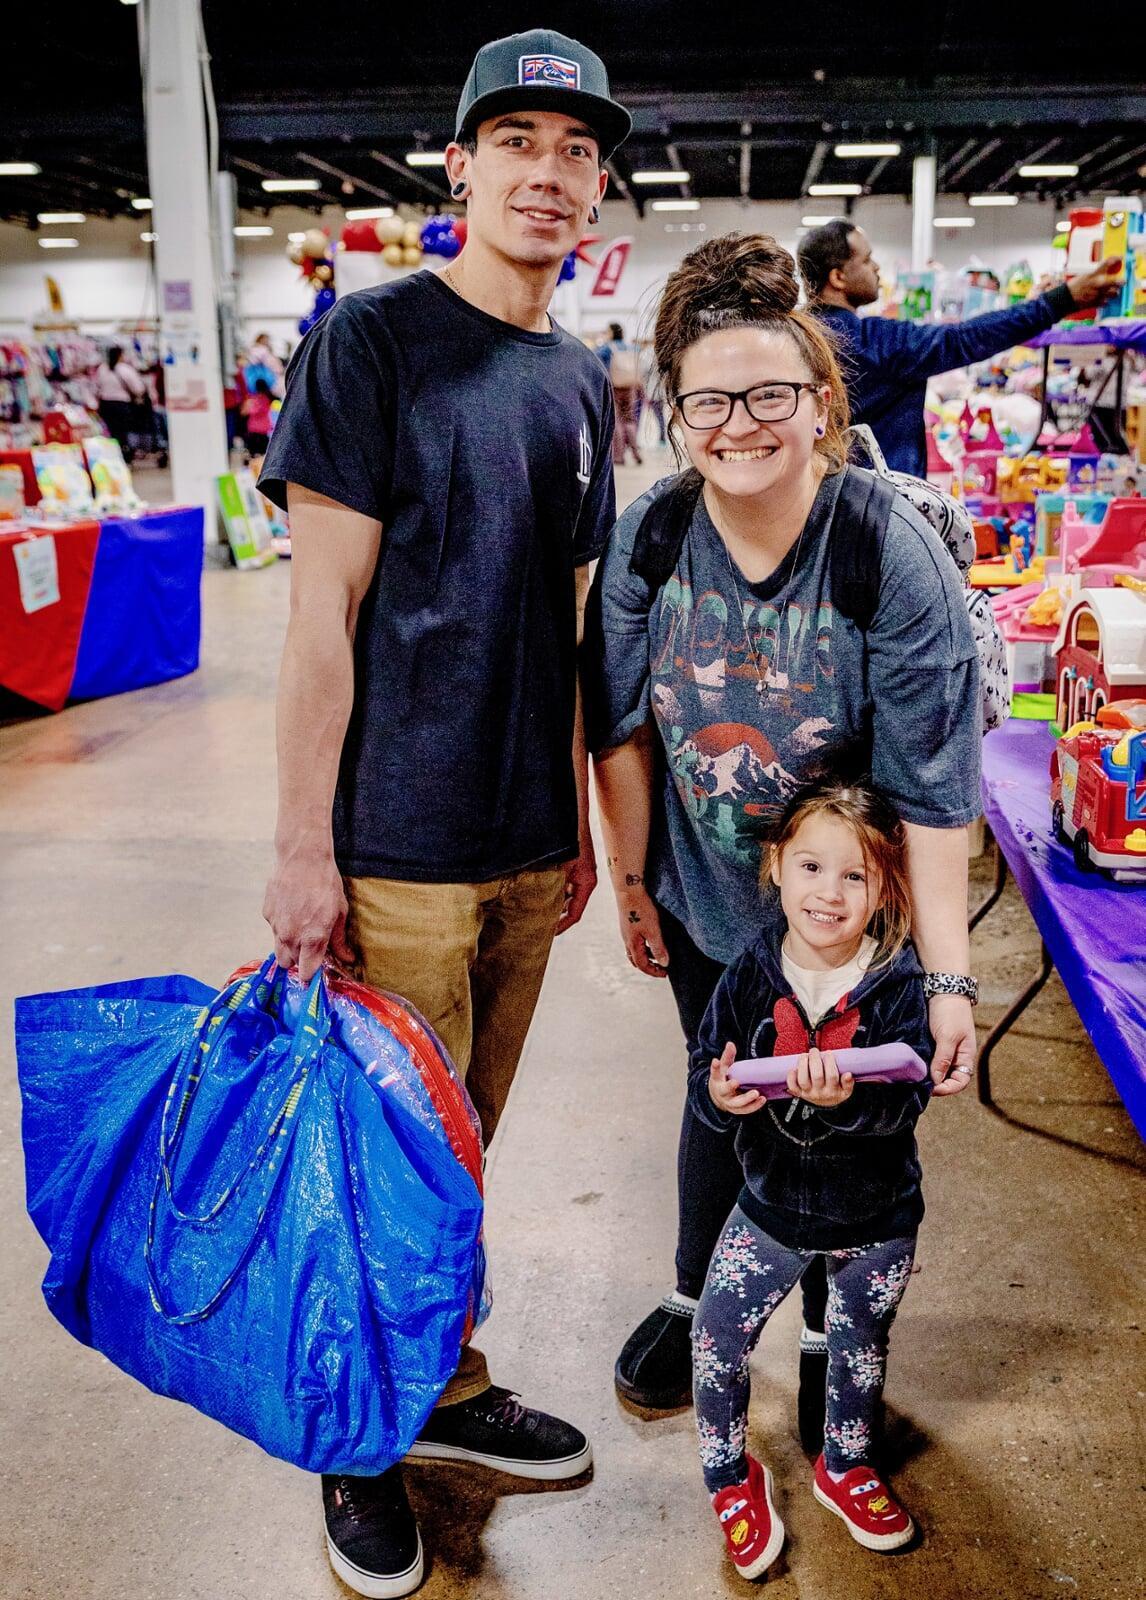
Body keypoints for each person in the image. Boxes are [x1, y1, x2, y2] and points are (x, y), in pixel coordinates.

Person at [257, 27, 630, 1599]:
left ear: (598, 188)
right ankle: (359, 1439)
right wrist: (296, 848)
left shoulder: (578, 375)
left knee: (460, 1150)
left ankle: (449, 1380)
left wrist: (584, 839)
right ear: (460, 165)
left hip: (520, 845)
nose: (546, 173)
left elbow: (568, 613)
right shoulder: (371, 343)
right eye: (518, 142)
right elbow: (321, 617)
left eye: (575, 151)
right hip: (392, 844)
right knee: (380, 1157)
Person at [586, 233, 982, 1429]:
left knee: (849, 1116)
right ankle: (690, 1285)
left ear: (820, 402)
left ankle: (824, 1330)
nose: (741, 423)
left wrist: (950, 974)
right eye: (708, 398)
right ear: (674, 413)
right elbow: (619, 733)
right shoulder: (651, 544)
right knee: (723, 1092)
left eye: (771, 394)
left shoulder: (882, 551)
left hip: (854, 912)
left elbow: (936, 784)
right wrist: (630, 883)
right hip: (709, 894)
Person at [690, 778, 930, 1580]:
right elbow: (708, 1068)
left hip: (877, 1220)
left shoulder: (899, 980)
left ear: (885, 887)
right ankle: (731, 1476)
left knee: (860, 1348)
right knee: (718, 1337)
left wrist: (844, 1106)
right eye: (811, 868)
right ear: (775, 868)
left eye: (855, 876)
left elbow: (911, 1093)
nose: (828, 894)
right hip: (767, 1212)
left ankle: (846, 1462)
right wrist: (719, 1096)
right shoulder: (750, 972)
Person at [797, 218, 1123, 476]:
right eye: (867, 260)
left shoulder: (793, 339)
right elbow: (967, 339)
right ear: (838, 277)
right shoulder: (879, 343)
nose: (877, 268)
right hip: (876, 509)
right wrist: (1061, 300)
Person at [599, 320, 643, 464]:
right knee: (630, 420)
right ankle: (636, 453)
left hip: (614, 388)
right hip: (630, 388)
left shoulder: (607, 348)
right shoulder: (632, 348)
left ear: (611, 332)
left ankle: (618, 456)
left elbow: (594, 359)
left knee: (616, 421)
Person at [94, 344, 146, 462]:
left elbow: (96, 387)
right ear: (120, 355)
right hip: (122, 405)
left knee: (110, 431)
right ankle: (125, 455)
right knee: (124, 432)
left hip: (106, 405)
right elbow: (138, 388)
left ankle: (112, 456)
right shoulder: (125, 369)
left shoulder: (102, 369)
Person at [242, 376, 274, 460]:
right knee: (264, 454)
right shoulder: (268, 398)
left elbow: (247, 411)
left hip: (255, 430)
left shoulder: (256, 399)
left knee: (253, 454)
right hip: (263, 429)